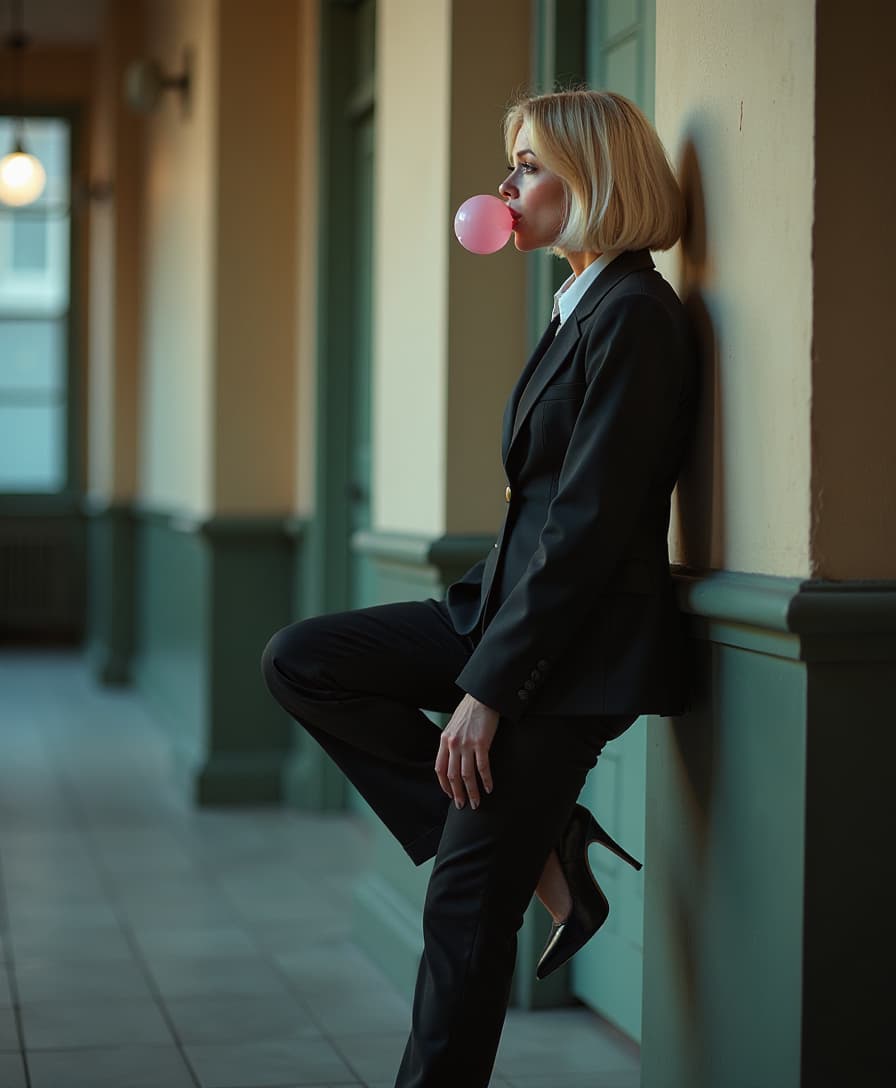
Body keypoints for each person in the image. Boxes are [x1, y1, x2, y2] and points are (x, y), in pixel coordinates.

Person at [262, 88, 697, 1088]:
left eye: (529, 165)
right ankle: (538, 836)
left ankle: (517, 851)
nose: (503, 188)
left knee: (464, 908)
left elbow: (585, 527)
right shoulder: (580, 304)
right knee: (302, 658)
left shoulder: (634, 315)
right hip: (503, 613)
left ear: (594, 180)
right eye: (509, 164)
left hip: (568, 651)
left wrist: (486, 691)